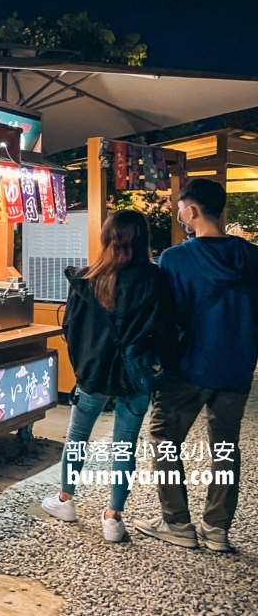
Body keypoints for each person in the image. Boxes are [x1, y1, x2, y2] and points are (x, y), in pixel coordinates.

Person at [134, 179, 258, 553]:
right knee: (225, 448)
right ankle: (217, 529)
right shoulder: (252, 257)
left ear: (191, 211)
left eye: (178, 206)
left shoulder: (175, 258)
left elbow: (168, 318)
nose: (177, 212)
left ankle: (177, 523)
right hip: (236, 368)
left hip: (187, 368)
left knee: (165, 440)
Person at [42, 210, 175, 543]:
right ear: (144, 239)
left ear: (106, 237)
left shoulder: (87, 279)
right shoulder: (155, 279)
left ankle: (65, 500)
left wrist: (83, 366)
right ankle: (113, 518)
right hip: (137, 373)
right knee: (124, 447)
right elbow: (166, 330)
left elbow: (71, 329)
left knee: (77, 439)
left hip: (94, 373)